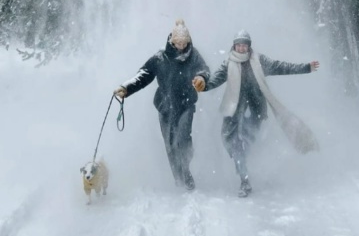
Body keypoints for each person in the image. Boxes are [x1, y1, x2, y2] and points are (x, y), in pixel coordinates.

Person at [194, 30, 319, 197]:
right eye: (238, 45)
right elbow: (215, 80)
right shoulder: (229, 63)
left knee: (247, 141)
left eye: (244, 45)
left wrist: (305, 68)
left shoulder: (259, 61)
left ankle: (245, 178)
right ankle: (243, 169)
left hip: (256, 109)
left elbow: (281, 67)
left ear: (248, 46)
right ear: (234, 46)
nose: (241, 48)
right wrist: (203, 85)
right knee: (229, 139)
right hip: (234, 108)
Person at [114, 19, 210, 191]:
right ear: (172, 41)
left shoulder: (194, 55)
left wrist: (201, 78)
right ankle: (178, 178)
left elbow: (203, 69)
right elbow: (143, 75)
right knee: (170, 144)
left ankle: (186, 170)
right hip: (165, 107)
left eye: (184, 42)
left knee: (183, 139)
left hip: (186, 104)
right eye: (178, 42)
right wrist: (126, 88)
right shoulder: (160, 58)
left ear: (188, 41)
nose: (181, 46)